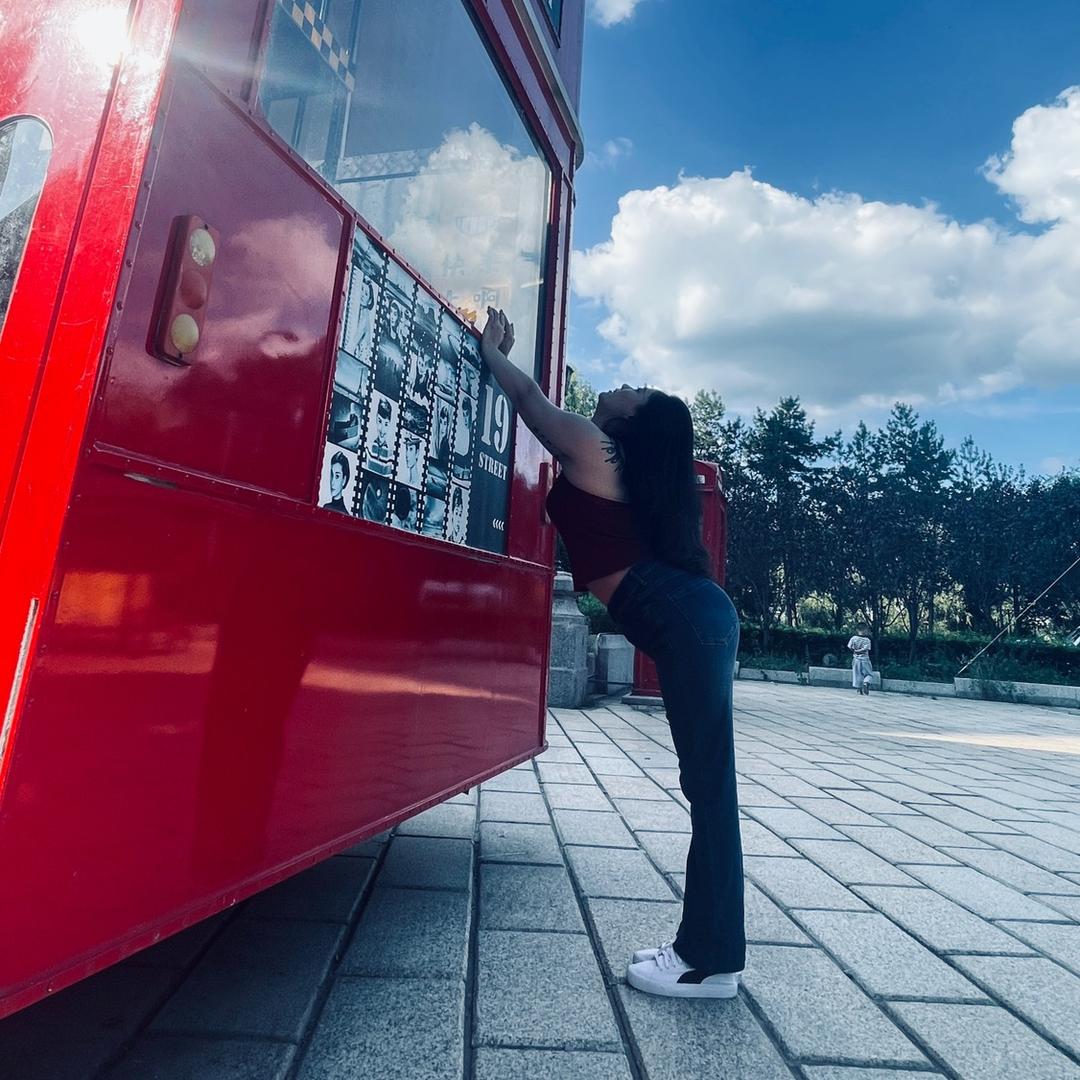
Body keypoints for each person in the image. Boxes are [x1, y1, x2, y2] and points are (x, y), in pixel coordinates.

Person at [479, 307, 744, 1000]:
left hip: (685, 617)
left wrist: (491, 349)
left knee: (709, 787)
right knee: (709, 785)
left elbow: (531, 403)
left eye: (638, 389)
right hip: (691, 615)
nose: (625, 383)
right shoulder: (610, 461)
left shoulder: (600, 450)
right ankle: (708, 952)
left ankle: (709, 962)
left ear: (635, 422)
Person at [321, 450, 351, 514]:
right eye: (332, 475)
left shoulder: (344, 513)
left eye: (337, 476)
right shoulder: (326, 506)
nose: (332, 482)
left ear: (344, 480)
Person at [847, 623, 874, 695]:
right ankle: (866, 683)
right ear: (866, 630)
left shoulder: (853, 638)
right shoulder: (867, 640)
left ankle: (859, 689)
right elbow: (866, 649)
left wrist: (855, 651)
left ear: (857, 630)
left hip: (856, 659)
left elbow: (849, 647)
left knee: (857, 674)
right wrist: (860, 651)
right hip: (865, 659)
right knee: (869, 674)